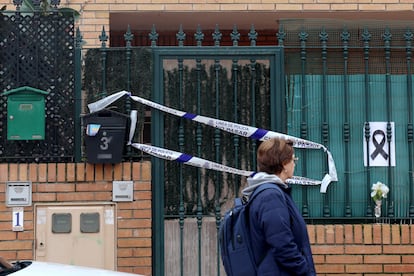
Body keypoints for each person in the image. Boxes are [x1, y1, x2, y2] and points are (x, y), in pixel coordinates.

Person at [242, 137, 316, 275]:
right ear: (284, 164)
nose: (294, 164)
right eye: (293, 160)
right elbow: (282, 244)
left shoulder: (270, 192)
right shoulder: (271, 196)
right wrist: (304, 271)